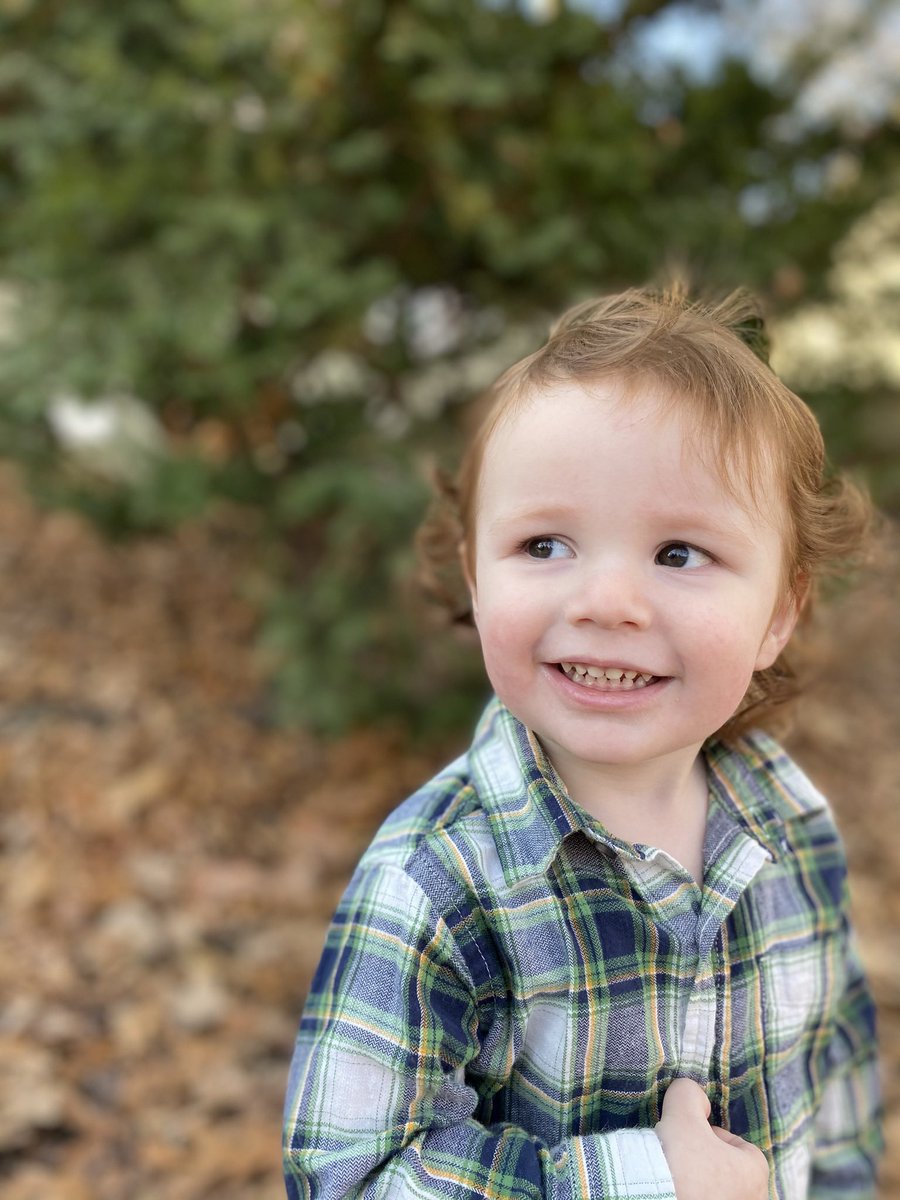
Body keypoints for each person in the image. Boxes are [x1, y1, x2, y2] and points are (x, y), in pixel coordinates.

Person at [283, 285, 883, 1200]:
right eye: (545, 545)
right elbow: (350, 1178)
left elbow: (833, 1089)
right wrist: (644, 1182)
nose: (606, 601)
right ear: (475, 580)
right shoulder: (436, 883)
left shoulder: (791, 824)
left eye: (678, 553)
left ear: (779, 614)